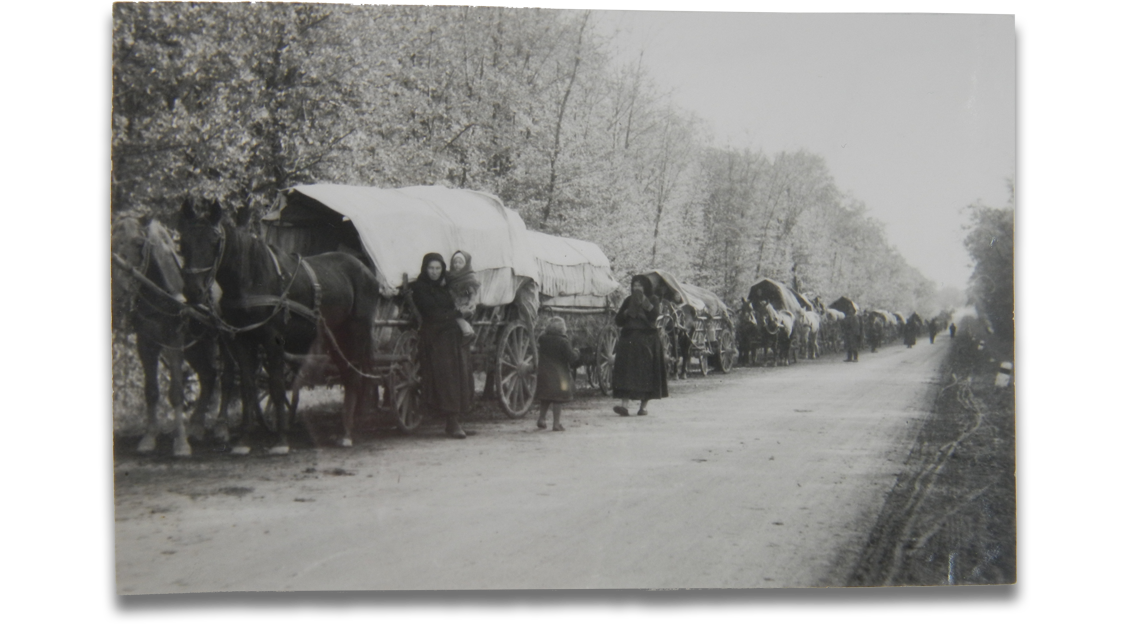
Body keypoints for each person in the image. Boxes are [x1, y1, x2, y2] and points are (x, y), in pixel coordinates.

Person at [407, 253, 474, 439]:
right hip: (434, 337)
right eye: (431, 268)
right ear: (425, 269)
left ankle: (455, 418)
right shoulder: (420, 288)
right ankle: (452, 423)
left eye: (438, 268)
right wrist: (456, 313)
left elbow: (448, 310)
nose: (434, 272)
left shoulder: (443, 288)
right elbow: (431, 315)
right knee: (448, 378)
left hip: (450, 335)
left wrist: (458, 313)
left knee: (460, 374)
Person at [611, 274, 669, 416]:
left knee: (646, 373)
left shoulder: (653, 299)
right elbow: (618, 321)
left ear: (646, 287)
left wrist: (645, 303)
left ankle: (643, 407)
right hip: (629, 339)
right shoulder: (628, 300)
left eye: (639, 285)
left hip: (647, 339)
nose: (636, 288)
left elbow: (654, 316)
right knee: (626, 373)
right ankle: (624, 406)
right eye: (634, 285)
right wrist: (625, 313)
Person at [535, 316, 580, 431]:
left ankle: (541, 419)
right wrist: (576, 352)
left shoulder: (543, 339)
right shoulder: (563, 341)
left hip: (544, 374)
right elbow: (571, 358)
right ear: (562, 329)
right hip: (558, 376)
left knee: (545, 398)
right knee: (557, 399)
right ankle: (556, 424)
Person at [446, 250, 480, 338]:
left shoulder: (468, 277)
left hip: (464, 303)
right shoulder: (451, 276)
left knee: (457, 315)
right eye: (455, 262)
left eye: (460, 263)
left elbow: (472, 292)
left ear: (466, 265)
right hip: (454, 301)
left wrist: (471, 300)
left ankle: (467, 329)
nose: (457, 265)